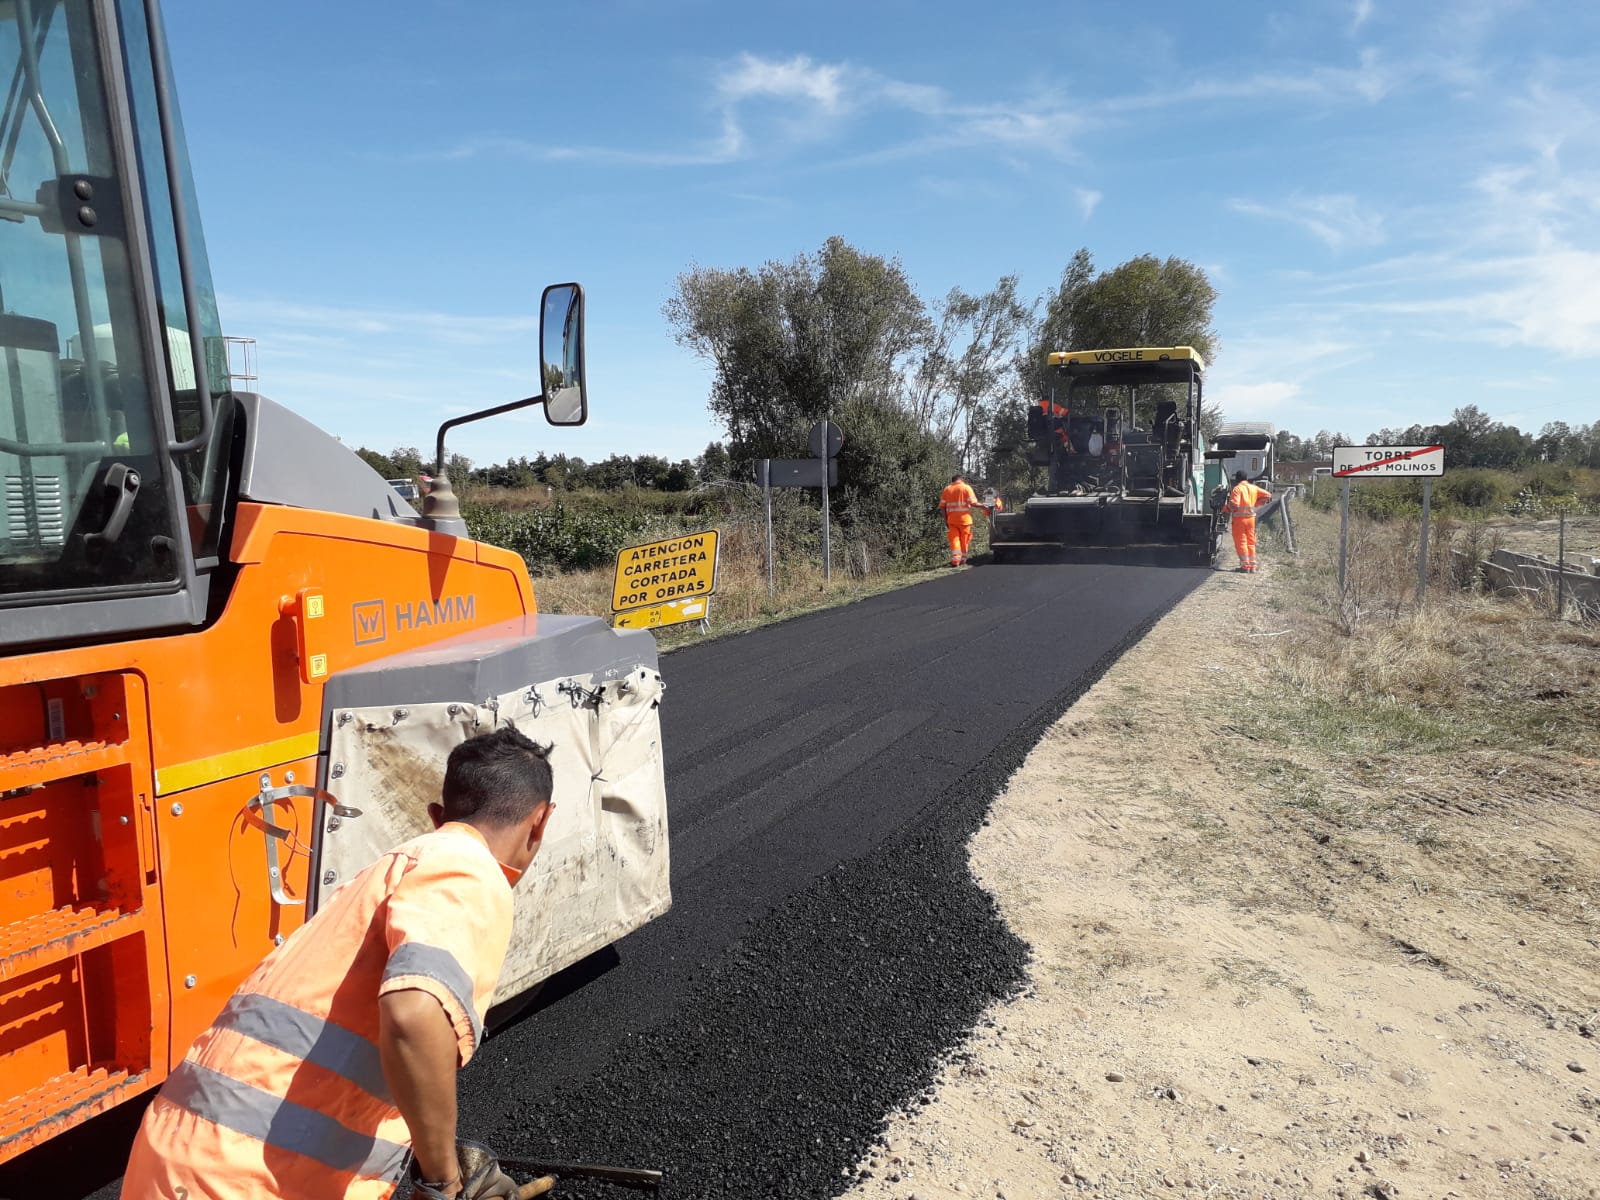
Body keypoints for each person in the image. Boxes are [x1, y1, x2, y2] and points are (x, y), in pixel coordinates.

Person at [123, 727, 559, 1200]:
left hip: (173, 1158)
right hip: (247, 1183)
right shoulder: (467, 868)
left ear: (437, 815)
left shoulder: (385, 875)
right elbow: (413, 1015)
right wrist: (444, 1183)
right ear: (540, 822)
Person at [1222, 469, 1274, 573]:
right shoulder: (1253, 488)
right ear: (1246, 478)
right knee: (1251, 542)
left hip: (1240, 520)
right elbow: (1268, 495)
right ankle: (1252, 566)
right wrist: (1257, 503)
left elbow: (1234, 505)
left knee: (1241, 542)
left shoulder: (1237, 489)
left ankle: (1245, 566)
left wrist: (1225, 509)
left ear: (1237, 479)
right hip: (1251, 519)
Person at [939, 472, 979, 566]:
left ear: (953, 481)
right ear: (961, 480)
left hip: (952, 520)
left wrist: (946, 520)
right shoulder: (966, 488)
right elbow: (973, 503)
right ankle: (963, 560)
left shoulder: (947, 489)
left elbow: (942, 506)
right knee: (964, 540)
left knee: (954, 540)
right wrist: (984, 506)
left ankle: (955, 561)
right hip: (965, 520)